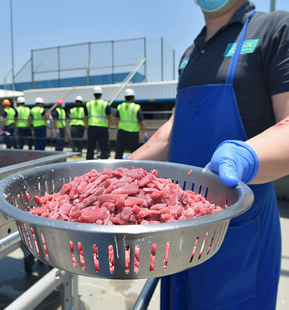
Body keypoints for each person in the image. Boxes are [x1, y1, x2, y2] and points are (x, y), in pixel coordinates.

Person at [128, 1, 289, 309]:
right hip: (177, 225)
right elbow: (171, 130)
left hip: (238, 229)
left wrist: (245, 156)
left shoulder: (275, 30)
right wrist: (112, 177)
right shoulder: (190, 54)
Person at [114, 88, 148, 159]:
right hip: (133, 133)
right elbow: (141, 121)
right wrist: (144, 132)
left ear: (125, 97)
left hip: (121, 132)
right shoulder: (136, 107)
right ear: (133, 97)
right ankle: (134, 168)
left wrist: (118, 128)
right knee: (134, 152)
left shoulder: (120, 106)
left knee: (119, 151)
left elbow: (117, 119)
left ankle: (116, 167)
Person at [86, 86, 112, 159]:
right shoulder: (105, 103)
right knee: (103, 148)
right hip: (103, 128)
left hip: (91, 127)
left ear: (94, 94)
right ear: (101, 94)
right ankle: (104, 165)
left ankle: (88, 163)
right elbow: (109, 115)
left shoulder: (89, 104)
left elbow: (85, 116)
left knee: (90, 147)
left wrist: (87, 126)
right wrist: (109, 126)